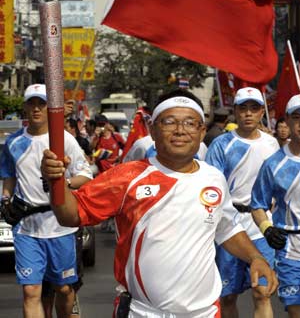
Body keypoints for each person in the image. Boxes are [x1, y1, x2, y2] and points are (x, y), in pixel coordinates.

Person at [41, 89, 278, 318]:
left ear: (201, 130)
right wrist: (56, 181)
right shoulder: (128, 176)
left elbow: (227, 228)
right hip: (144, 311)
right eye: (169, 122)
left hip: (205, 312)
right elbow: (70, 215)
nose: (180, 130)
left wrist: (255, 258)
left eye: (189, 123)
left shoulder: (213, 177)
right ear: (153, 130)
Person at [0, 83, 93, 318]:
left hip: (59, 225)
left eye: (41, 104)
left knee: (63, 288)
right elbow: (9, 176)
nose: (36, 109)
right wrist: (5, 199)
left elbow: (86, 175)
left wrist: (63, 185)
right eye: (31, 103)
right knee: (31, 290)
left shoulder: (63, 140)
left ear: (49, 108)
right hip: (27, 226)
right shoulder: (13, 142)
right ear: (25, 108)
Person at [205, 86, 279, 318]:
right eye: (243, 108)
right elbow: (211, 186)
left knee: (262, 291)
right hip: (229, 225)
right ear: (235, 112)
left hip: (262, 225)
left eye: (254, 109)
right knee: (228, 296)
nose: (248, 113)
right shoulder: (221, 144)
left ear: (261, 113)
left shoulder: (272, 144)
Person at [251, 94, 300, 318]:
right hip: (291, 249)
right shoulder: (274, 164)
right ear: (287, 121)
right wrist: (266, 229)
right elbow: (258, 204)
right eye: (297, 117)